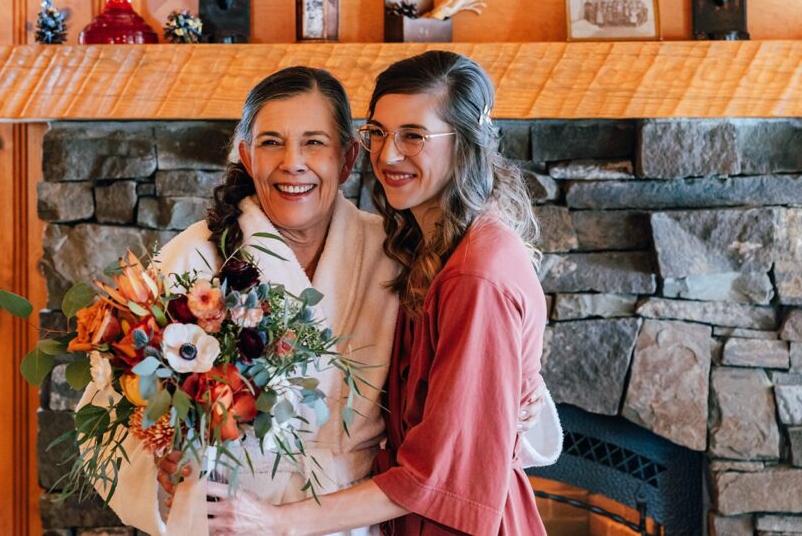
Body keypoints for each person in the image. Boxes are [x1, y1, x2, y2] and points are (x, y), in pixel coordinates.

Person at [78, 65, 561, 536]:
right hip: (233, 517)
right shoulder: (195, 258)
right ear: (246, 156)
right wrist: (161, 466)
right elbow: (117, 407)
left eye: (314, 142)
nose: (293, 163)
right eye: (271, 143)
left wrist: (521, 396)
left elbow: (459, 418)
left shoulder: (395, 256)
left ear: (348, 158)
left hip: (354, 515)